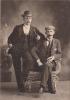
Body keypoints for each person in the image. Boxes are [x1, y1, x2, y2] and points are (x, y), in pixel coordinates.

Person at [7, 10, 44, 93]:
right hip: (16, 49)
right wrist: (9, 43)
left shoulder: (34, 29)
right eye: (26, 18)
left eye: (30, 18)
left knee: (29, 61)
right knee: (17, 67)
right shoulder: (17, 28)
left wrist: (39, 38)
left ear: (31, 19)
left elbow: (42, 37)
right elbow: (10, 38)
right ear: (23, 19)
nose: (28, 19)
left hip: (27, 50)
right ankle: (21, 87)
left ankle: (22, 80)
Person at [31, 25, 62, 94]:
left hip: (52, 63)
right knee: (47, 66)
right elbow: (33, 51)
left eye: (51, 31)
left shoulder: (57, 42)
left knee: (48, 65)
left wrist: (53, 57)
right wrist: (38, 60)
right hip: (42, 63)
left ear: (54, 32)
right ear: (45, 33)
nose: (49, 33)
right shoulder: (41, 41)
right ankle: (51, 88)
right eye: (48, 31)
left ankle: (42, 86)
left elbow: (60, 54)